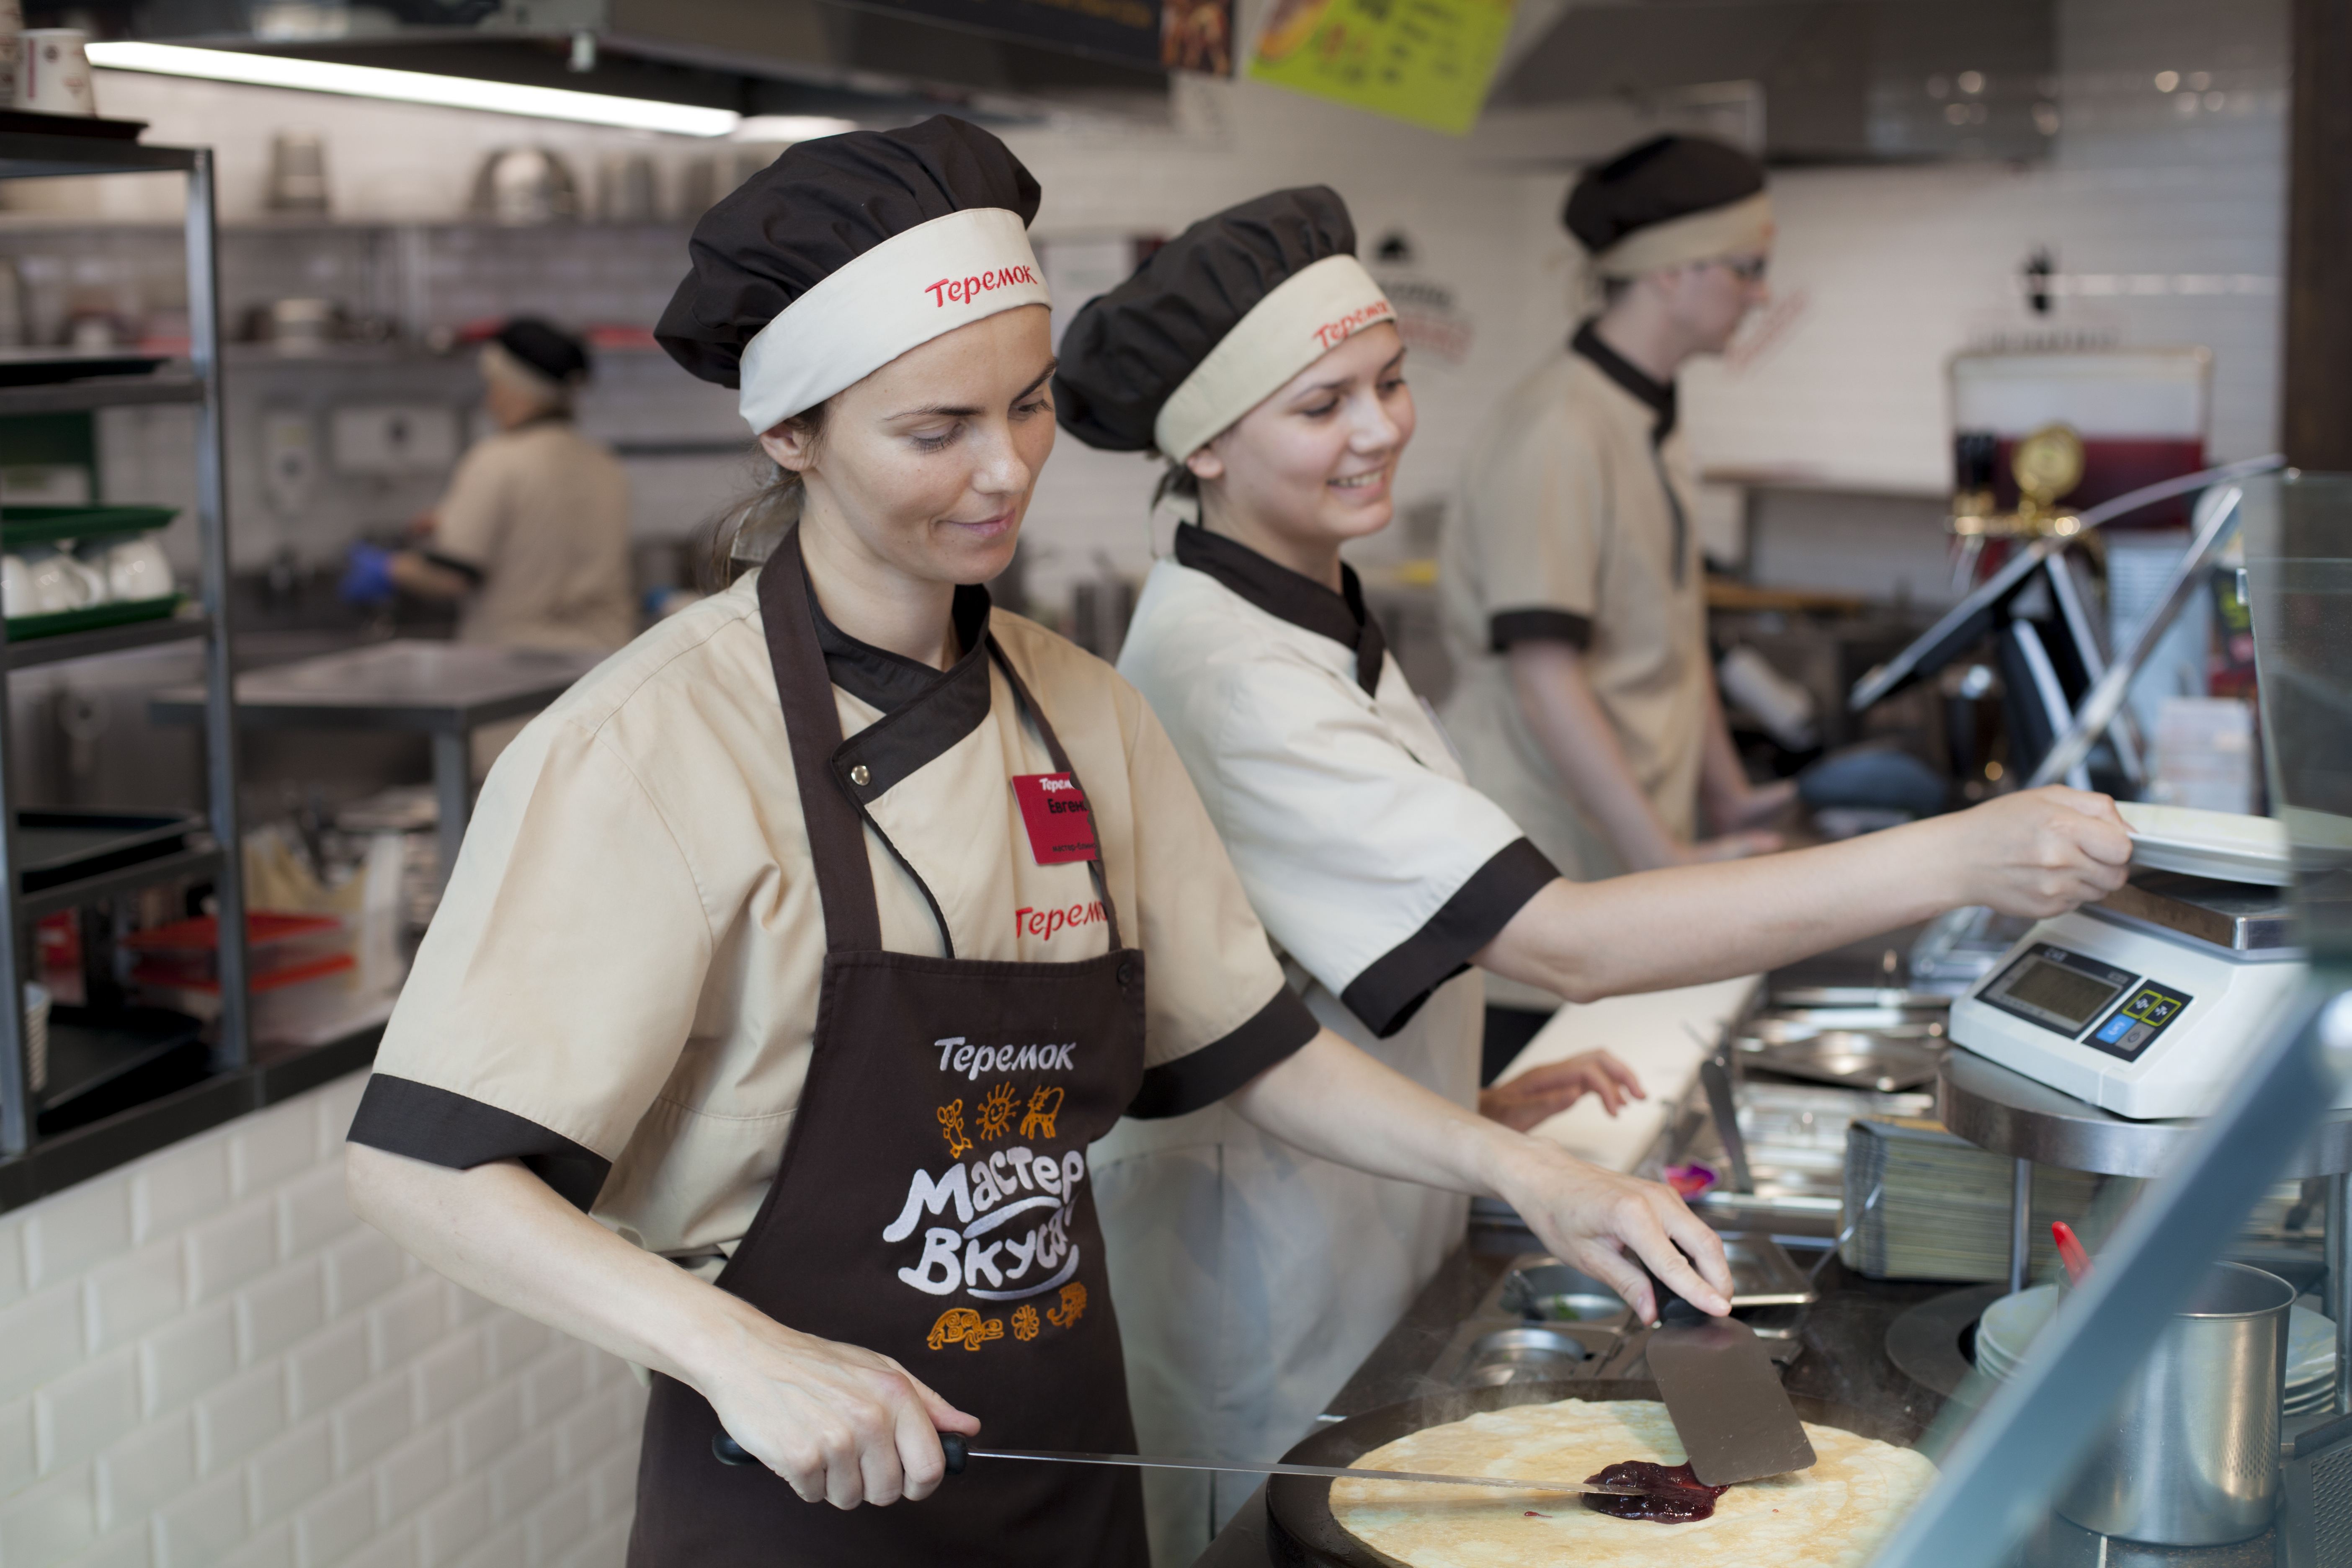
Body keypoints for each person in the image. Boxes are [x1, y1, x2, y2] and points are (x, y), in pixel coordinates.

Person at [338, 119, 1738, 1568]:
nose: (1005, 471)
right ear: (789, 434)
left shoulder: (1086, 712)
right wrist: (733, 1350)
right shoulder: (649, 744)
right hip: (799, 1499)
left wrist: (1535, 1178)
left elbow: (1252, 1054)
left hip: (1072, 1466)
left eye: (1024, 407)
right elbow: (424, 1166)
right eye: (933, 431)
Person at [1052, 185, 2135, 1564]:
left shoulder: (1302, 610)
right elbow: (1557, 940)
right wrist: (1952, 854)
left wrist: (1469, 1094)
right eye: (1320, 405)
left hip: (1353, 1222)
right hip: (1260, 1289)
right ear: (1203, 443)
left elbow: (1281, 962)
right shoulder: (1231, 675)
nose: (1378, 428)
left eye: (1387, 384)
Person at [1435, 133, 1793, 1059]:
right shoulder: (1561, 427)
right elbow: (1546, 676)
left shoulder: (1649, 412)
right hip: (1543, 876)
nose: (1760, 293)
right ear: (1671, 274)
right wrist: (1664, 862)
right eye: (1748, 268)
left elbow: (1676, 633)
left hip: (1626, 864)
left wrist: (1730, 797)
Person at [342, 316, 635, 654]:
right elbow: (548, 528)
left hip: (518, 668)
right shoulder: (604, 462)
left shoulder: (496, 459)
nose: (489, 401)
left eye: (494, 385)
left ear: (515, 389)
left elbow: (450, 577)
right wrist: (450, 519)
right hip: (603, 663)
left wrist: (387, 569)